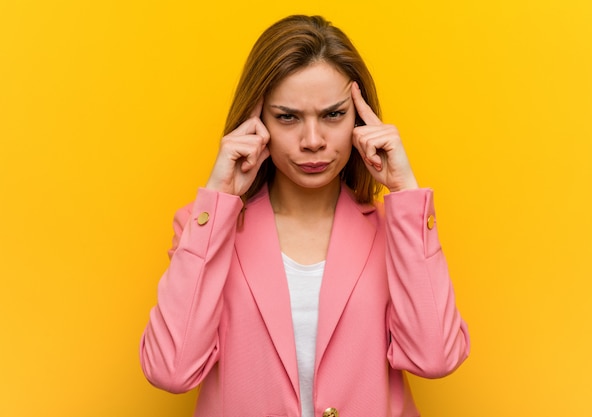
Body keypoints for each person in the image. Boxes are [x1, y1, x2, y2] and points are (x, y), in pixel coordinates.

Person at [140, 14, 470, 417]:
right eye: (287, 117)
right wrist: (218, 197)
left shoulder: (393, 232)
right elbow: (170, 371)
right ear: (255, 121)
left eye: (333, 115)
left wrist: (405, 192)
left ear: (360, 119)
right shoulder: (203, 228)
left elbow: (435, 358)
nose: (313, 142)